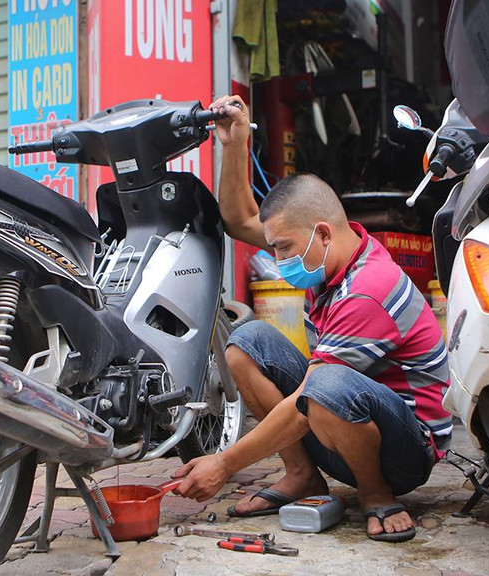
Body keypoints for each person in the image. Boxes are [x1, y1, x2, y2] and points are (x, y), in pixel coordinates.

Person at [173, 94, 452, 541]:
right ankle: (302, 474)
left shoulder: (368, 288)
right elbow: (241, 219)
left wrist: (224, 464)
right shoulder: (326, 257)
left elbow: (307, 402)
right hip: (347, 418)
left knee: (323, 386)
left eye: (283, 248)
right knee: (246, 344)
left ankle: (376, 493)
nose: (279, 258)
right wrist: (234, 144)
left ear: (321, 233)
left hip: (408, 449)